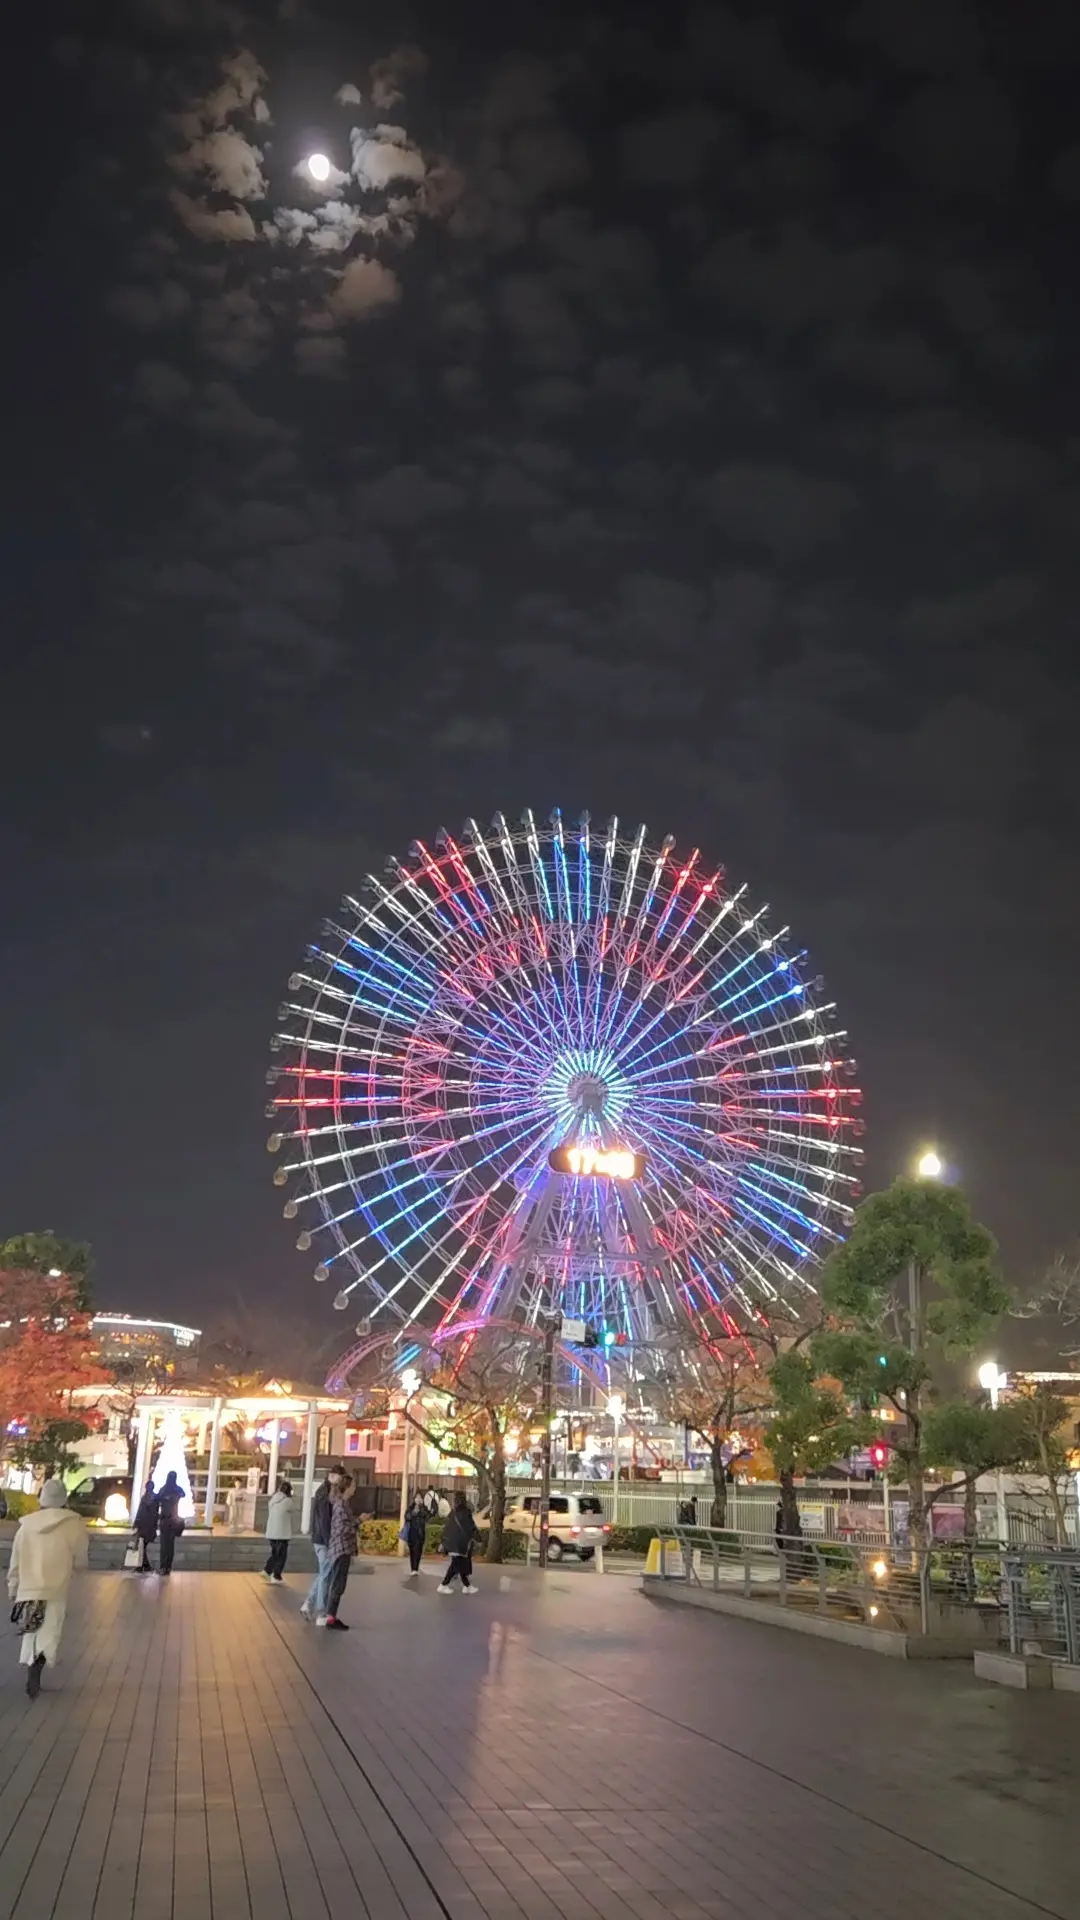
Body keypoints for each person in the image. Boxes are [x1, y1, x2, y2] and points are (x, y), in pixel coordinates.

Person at [8, 1479, 88, 1697]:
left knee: (32, 1631)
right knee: (50, 1632)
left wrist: (13, 1586)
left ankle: (31, 1667)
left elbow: (15, 1560)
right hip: (56, 1587)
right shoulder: (73, 1525)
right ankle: (37, 1670)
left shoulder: (26, 1527)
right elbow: (81, 1558)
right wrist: (77, 1569)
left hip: (29, 1589)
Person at [301, 1468, 342, 1622]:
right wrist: (330, 1541)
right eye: (340, 1477)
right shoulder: (326, 1493)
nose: (340, 1481)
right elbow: (324, 1520)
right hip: (324, 1540)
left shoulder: (322, 1491)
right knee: (325, 1575)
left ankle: (308, 1604)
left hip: (320, 1539)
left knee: (324, 1574)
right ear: (332, 1476)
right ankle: (321, 1613)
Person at [324, 1473, 357, 1630]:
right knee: (338, 1583)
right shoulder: (341, 1505)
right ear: (347, 1487)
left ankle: (331, 1615)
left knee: (338, 1582)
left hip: (340, 1548)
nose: (355, 1489)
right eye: (353, 1486)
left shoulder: (340, 1503)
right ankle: (330, 1617)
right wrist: (359, 1521)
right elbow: (343, 1528)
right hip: (341, 1548)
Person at [438, 1490, 480, 1594]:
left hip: (452, 1543)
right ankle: (444, 1584)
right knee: (456, 1565)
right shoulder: (466, 1512)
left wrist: (444, 1541)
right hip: (461, 1544)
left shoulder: (453, 1512)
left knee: (458, 1564)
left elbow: (447, 1528)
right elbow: (471, 1528)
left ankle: (466, 1586)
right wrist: (479, 1539)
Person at [263, 1479, 294, 1582]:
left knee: (275, 1553)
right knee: (280, 1555)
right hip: (282, 1534)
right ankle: (269, 1572)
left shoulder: (273, 1500)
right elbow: (293, 1509)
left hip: (272, 1532)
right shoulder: (288, 1501)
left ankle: (275, 1575)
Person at [157, 1471, 184, 1575]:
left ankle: (164, 1566)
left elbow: (182, 1494)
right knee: (168, 1545)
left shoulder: (164, 1489)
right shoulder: (172, 1489)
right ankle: (166, 1566)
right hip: (171, 1519)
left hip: (167, 1520)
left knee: (165, 1545)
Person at [132, 1478, 159, 1573]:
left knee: (141, 1546)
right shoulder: (155, 1498)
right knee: (142, 1546)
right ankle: (145, 1565)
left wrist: (136, 1524)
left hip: (144, 1526)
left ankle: (142, 1566)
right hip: (150, 1526)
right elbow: (155, 1513)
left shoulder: (145, 1498)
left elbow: (141, 1512)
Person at [404, 1492, 428, 1575]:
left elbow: (427, 1517)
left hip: (420, 1533)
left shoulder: (424, 1508)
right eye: (416, 1497)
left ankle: (416, 1568)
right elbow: (407, 1517)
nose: (418, 1499)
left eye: (419, 1497)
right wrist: (413, 1512)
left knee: (418, 1551)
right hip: (412, 1532)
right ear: (414, 1499)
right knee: (412, 1551)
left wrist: (421, 1509)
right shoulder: (410, 1508)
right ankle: (413, 1569)